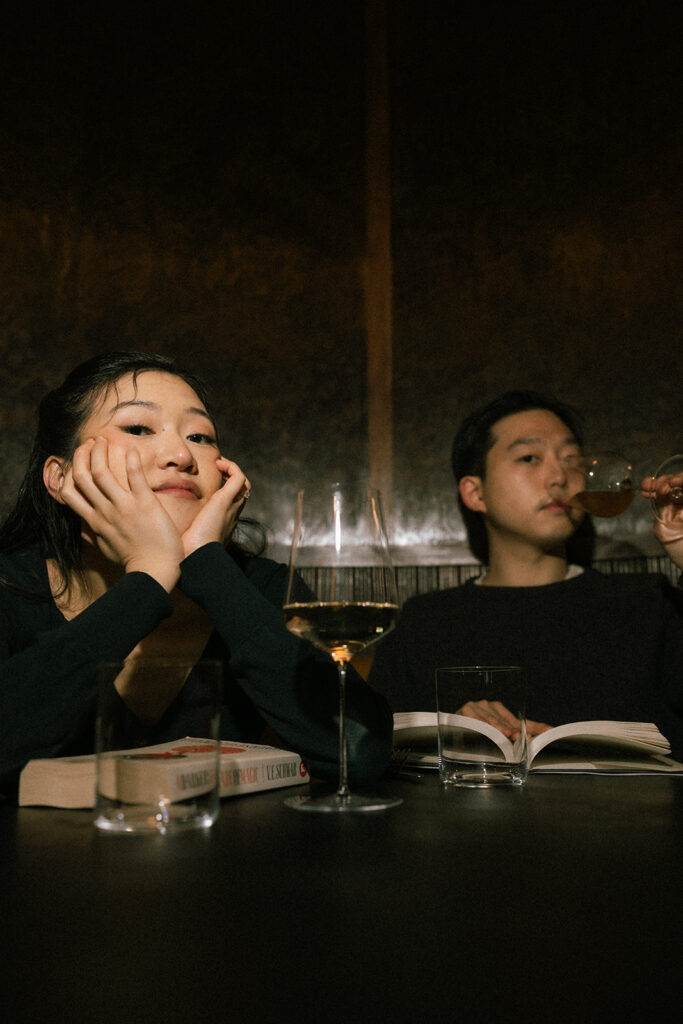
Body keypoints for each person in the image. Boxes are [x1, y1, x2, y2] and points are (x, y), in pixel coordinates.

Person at [0, 351, 393, 799]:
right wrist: (148, 576)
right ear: (61, 476)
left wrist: (206, 563)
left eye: (200, 436)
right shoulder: (10, 587)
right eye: (138, 428)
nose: (181, 455)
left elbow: (360, 750)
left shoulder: (259, 587)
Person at [369, 390, 683, 755]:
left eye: (571, 460)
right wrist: (451, 731)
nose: (559, 476)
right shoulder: (424, 621)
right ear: (475, 493)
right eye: (530, 458)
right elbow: (369, 746)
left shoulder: (648, 602)